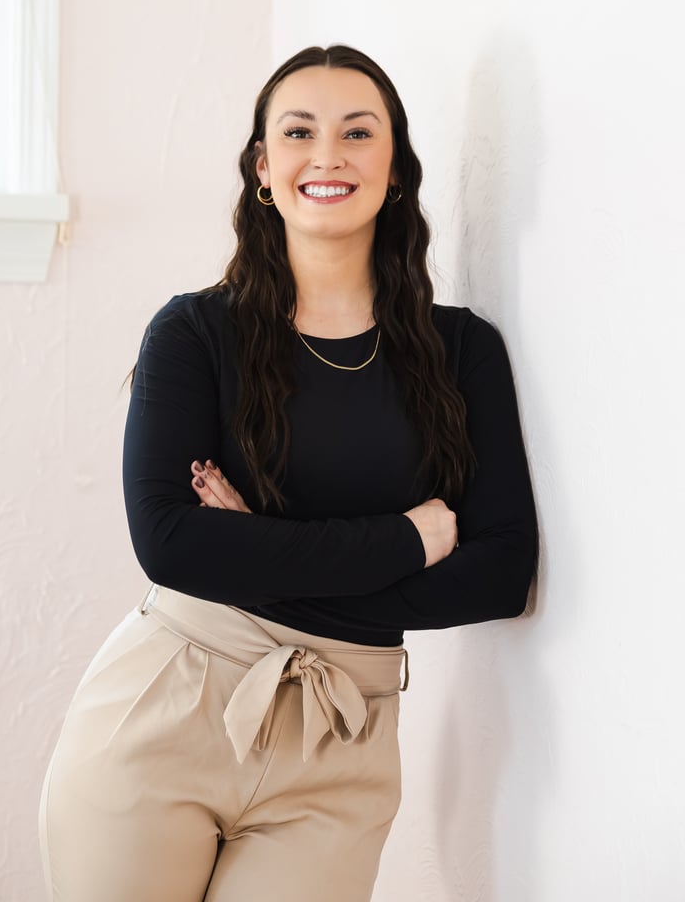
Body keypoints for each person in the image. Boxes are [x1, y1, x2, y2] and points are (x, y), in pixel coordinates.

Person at [39, 45, 537, 902]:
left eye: (358, 133)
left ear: (396, 167)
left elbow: (500, 575)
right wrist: (406, 540)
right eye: (299, 132)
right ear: (263, 168)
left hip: (343, 740)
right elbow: (170, 545)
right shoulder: (194, 334)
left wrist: (256, 551)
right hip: (171, 705)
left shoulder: (464, 352)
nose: (328, 155)